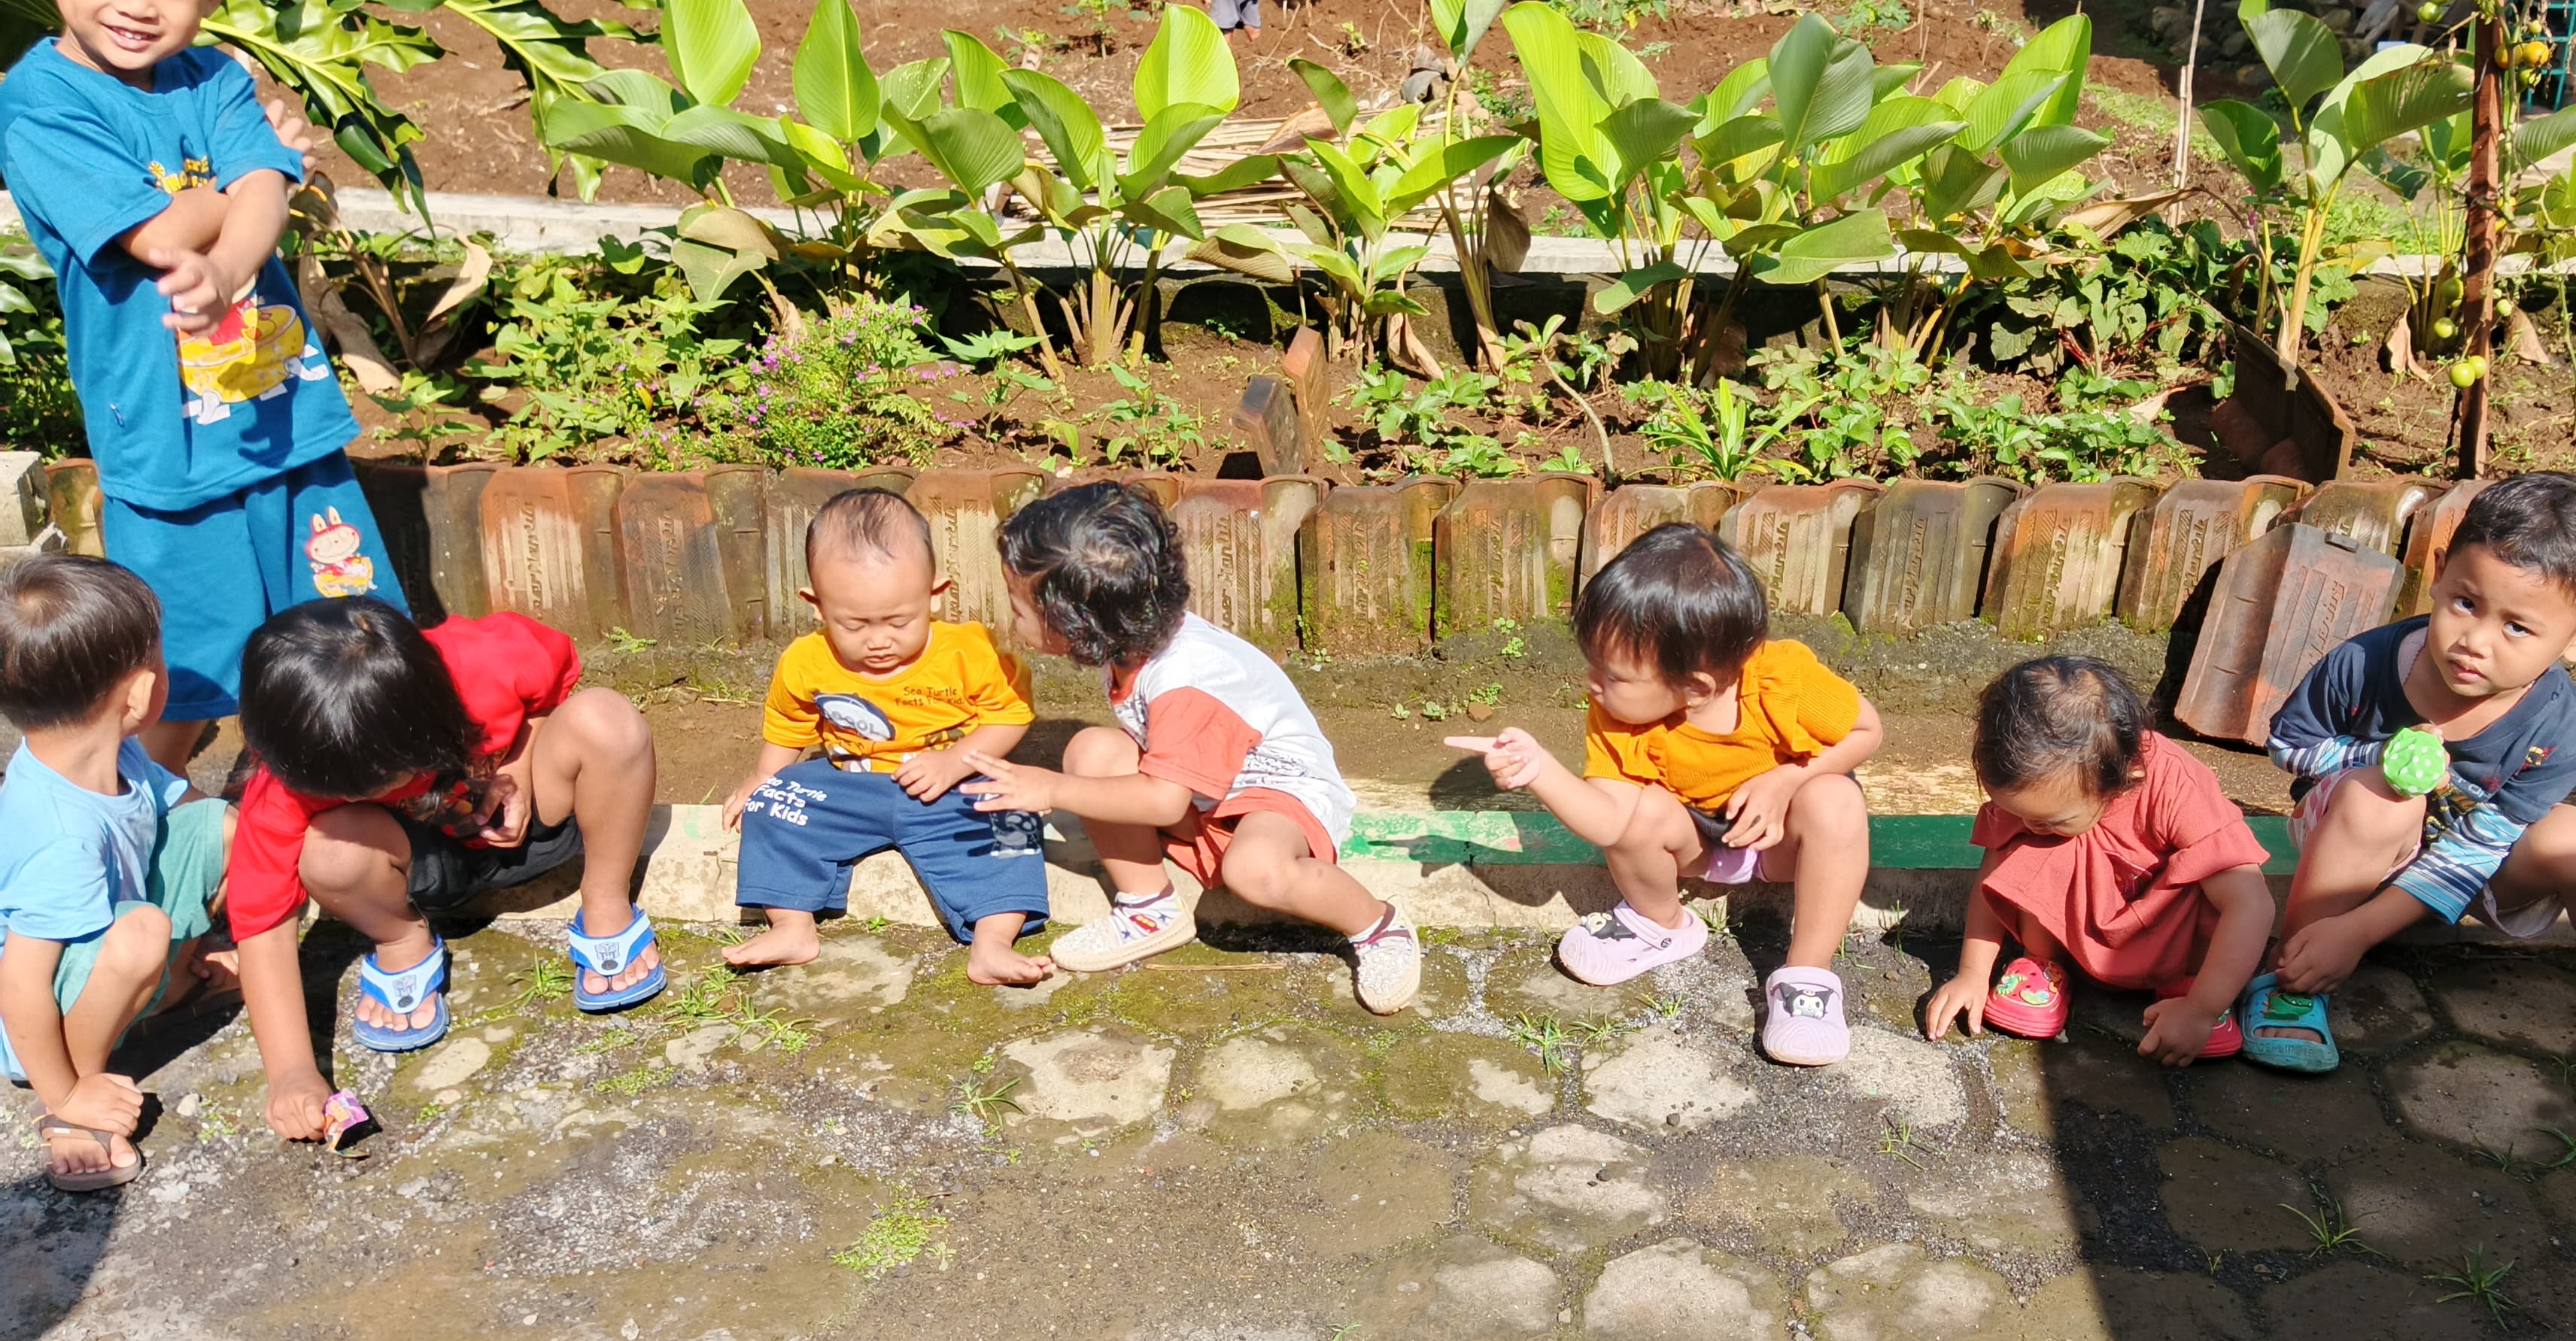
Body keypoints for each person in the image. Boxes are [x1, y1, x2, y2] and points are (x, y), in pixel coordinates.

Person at [0, 0, 404, 771]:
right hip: (167, 448)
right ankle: (143, 837)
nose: (138, 4)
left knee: (343, 645)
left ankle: (295, 819)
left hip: (285, 422)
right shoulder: (41, 105)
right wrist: (260, 172)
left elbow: (254, 204)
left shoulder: (215, 78)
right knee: (176, 684)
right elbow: (162, 233)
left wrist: (230, 261)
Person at [2246, 473, 2576, 1119]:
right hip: (2353, 846)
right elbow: (2288, 744)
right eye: (2466, 604)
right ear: (2438, 569)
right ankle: (2294, 972)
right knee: (2381, 796)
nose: (2476, 642)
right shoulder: (2365, 663)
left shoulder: (2562, 732)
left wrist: (2362, 932)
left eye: (2517, 628)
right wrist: (2377, 757)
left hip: (2470, 870)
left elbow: (2479, 850)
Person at [963, 482, 1420, 1012]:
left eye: (1020, 611)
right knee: (1092, 752)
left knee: (1256, 870)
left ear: (1077, 625)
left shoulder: (1186, 682)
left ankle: (1377, 925)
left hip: (1275, 789)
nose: (1014, 625)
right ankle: (1147, 908)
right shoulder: (1134, 638)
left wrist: (1051, 788)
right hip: (1204, 788)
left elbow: (1162, 802)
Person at [1445, 522, 1882, 1066]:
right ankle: (1661, 924)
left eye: (1614, 675)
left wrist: (1787, 779)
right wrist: (1541, 770)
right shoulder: (1619, 714)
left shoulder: (1784, 681)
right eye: (1593, 665)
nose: (1592, 683)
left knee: (1836, 800)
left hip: (1781, 840)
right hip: (1693, 842)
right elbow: (1610, 822)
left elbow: (1868, 731)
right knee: (1641, 814)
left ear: (1696, 687)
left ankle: (1808, 974)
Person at [228, 597, 664, 1141]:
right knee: (329, 852)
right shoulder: (284, 783)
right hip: (413, 871)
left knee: (608, 719)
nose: (387, 791)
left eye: (393, 773)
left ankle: (606, 900)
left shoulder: (485, 657)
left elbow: (552, 697)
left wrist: (517, 768)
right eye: (349, 791)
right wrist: (292, 1073)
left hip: (530, 822)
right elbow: (263, 932)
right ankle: (400, 938)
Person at [724, 487, 1047, 985]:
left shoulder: (970, 651)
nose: (879, 640)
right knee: (772, 804)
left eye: (900, 621)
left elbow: (1009, 714)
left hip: (952, 782)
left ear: (936, 596)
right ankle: (791, 927)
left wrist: (957, 761)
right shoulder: (806, 659)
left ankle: (992, 944)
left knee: (1012, 817)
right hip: (847, 781)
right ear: (817, 605)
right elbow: (791, 723)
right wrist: (763, 777)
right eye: (853, 624)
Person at [0, 557, 232, 1189]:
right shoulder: (59, 837)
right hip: (52, 1018)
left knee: (221, 823)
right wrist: (65, 1094)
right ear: (137, 695)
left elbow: (174, 808)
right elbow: (20, 984)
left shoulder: (111, 746)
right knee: (141, 933)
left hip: (120, 934)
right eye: (160, 660)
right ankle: (77, 1097)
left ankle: (175, 979)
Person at [1920, 655, 2268, 1065]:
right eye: (2018, 812)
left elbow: (2252, 903)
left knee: (2211, 879)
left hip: (2173, 945)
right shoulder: (2034, 797)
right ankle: (2043, 965)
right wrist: (1973, 973)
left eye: (2049, 819)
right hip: (2078, 941)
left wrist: (2202, 1009)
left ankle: (2191, 990)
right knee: (2027, 846)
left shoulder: (2177, 787)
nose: (2029, 823)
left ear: (2125, 780)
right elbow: (1993, 873)